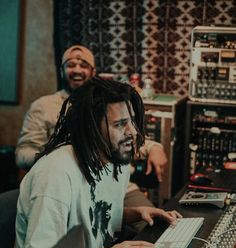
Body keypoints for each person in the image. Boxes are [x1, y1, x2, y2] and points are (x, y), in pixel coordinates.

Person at [14, 77, 181, 248]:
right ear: (90, 129)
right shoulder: (55, 173)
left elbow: (93, 215)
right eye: (119, 124)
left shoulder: (114, 161)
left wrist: (137, 214)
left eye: (132, 121)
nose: (133, 132)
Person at [15, 45, 167, 230]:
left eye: (84, 65)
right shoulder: (43, 107)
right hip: (76, 180)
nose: (77, 70)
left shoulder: (109, 105)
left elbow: (120, 139)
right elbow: (23, 154)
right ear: (61, 70)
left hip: (112, 183)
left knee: (155, 231)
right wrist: (67, 155)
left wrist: (155, 147)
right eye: (71, 65)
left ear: (93, 71)